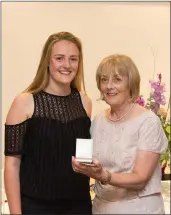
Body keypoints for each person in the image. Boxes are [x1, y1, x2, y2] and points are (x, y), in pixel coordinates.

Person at [4, 31, 92, 214]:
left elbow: (83, 159)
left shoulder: (85, 102)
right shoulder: (24, 102)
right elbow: (12, 165)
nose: (67, 65)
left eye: (73, 59)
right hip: (36, 207)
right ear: (47, 61)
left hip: (79, 206)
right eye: (59, 58)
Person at [72, 54, 168, 214]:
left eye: (117, 79)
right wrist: (82, 167)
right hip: (101, 208)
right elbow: (90, 162)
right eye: (104, 80)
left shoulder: (148, 122)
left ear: (130, 83)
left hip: (139, 209)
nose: (109, 86)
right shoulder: (98, 120)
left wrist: (105, 175)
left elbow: (140, 179)